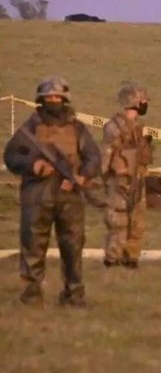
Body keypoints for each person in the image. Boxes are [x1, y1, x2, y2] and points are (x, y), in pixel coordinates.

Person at [2, 77, 102, 307]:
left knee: (73, 246)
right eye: (49, 97)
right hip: (37, 195)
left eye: (57, 97)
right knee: (33, 245)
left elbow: (93, 157)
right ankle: (32, 292)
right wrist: (33, 165)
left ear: (65, 99)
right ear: (41, 99)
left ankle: (74, 294)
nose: (53, 100)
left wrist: (82, 176)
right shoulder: (30, 128)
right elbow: (11, 156)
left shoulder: (77, 128)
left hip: (69, 196)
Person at [99, 82, 154, 269]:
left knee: (137, 221)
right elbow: (106, 155)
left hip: (137, 179)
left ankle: (131, 258)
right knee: (118, 222)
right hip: (119, 180)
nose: (146, 104)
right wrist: (106, 178)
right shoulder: (113, 127)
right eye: (143, 101)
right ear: (135, 102)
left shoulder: (139, 126)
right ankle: (113, 259)